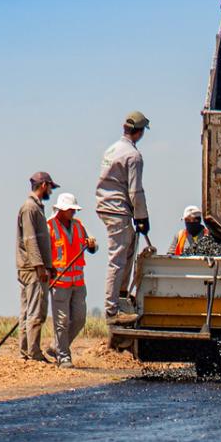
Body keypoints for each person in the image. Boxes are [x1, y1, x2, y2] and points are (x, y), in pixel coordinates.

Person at [95, 111, 151, 318]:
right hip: (117, 209)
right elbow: (135, 190)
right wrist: (142, 216)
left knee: (126, 252)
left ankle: (121, 296)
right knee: (118, 257)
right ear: (140, 131)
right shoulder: (133, 156)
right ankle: (112, 309)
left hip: (107, 205)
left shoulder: (112, 149)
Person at [46, 192, 99, 366]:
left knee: (79, 319)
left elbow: (93, 245)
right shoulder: (49, 226)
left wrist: (91, 244)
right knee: (61, 322)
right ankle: (63, 357)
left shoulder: (78, 225)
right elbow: (43, 253)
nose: (73, 213)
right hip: (59, 282)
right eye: (70, 210)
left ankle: (57, 346)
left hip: (78, 282)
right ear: (61, 210)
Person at [16, 171, 57, 361]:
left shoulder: (35, 207)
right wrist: (40, 266)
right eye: (50, 187)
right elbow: (30, 240)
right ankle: (33, 353)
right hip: (32, 269)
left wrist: (48, 265)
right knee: (35, 311)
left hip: (33, 267)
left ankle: (26, 352)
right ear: (43, 186)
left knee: (28, 311)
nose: (51, 191)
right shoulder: (30, 208)